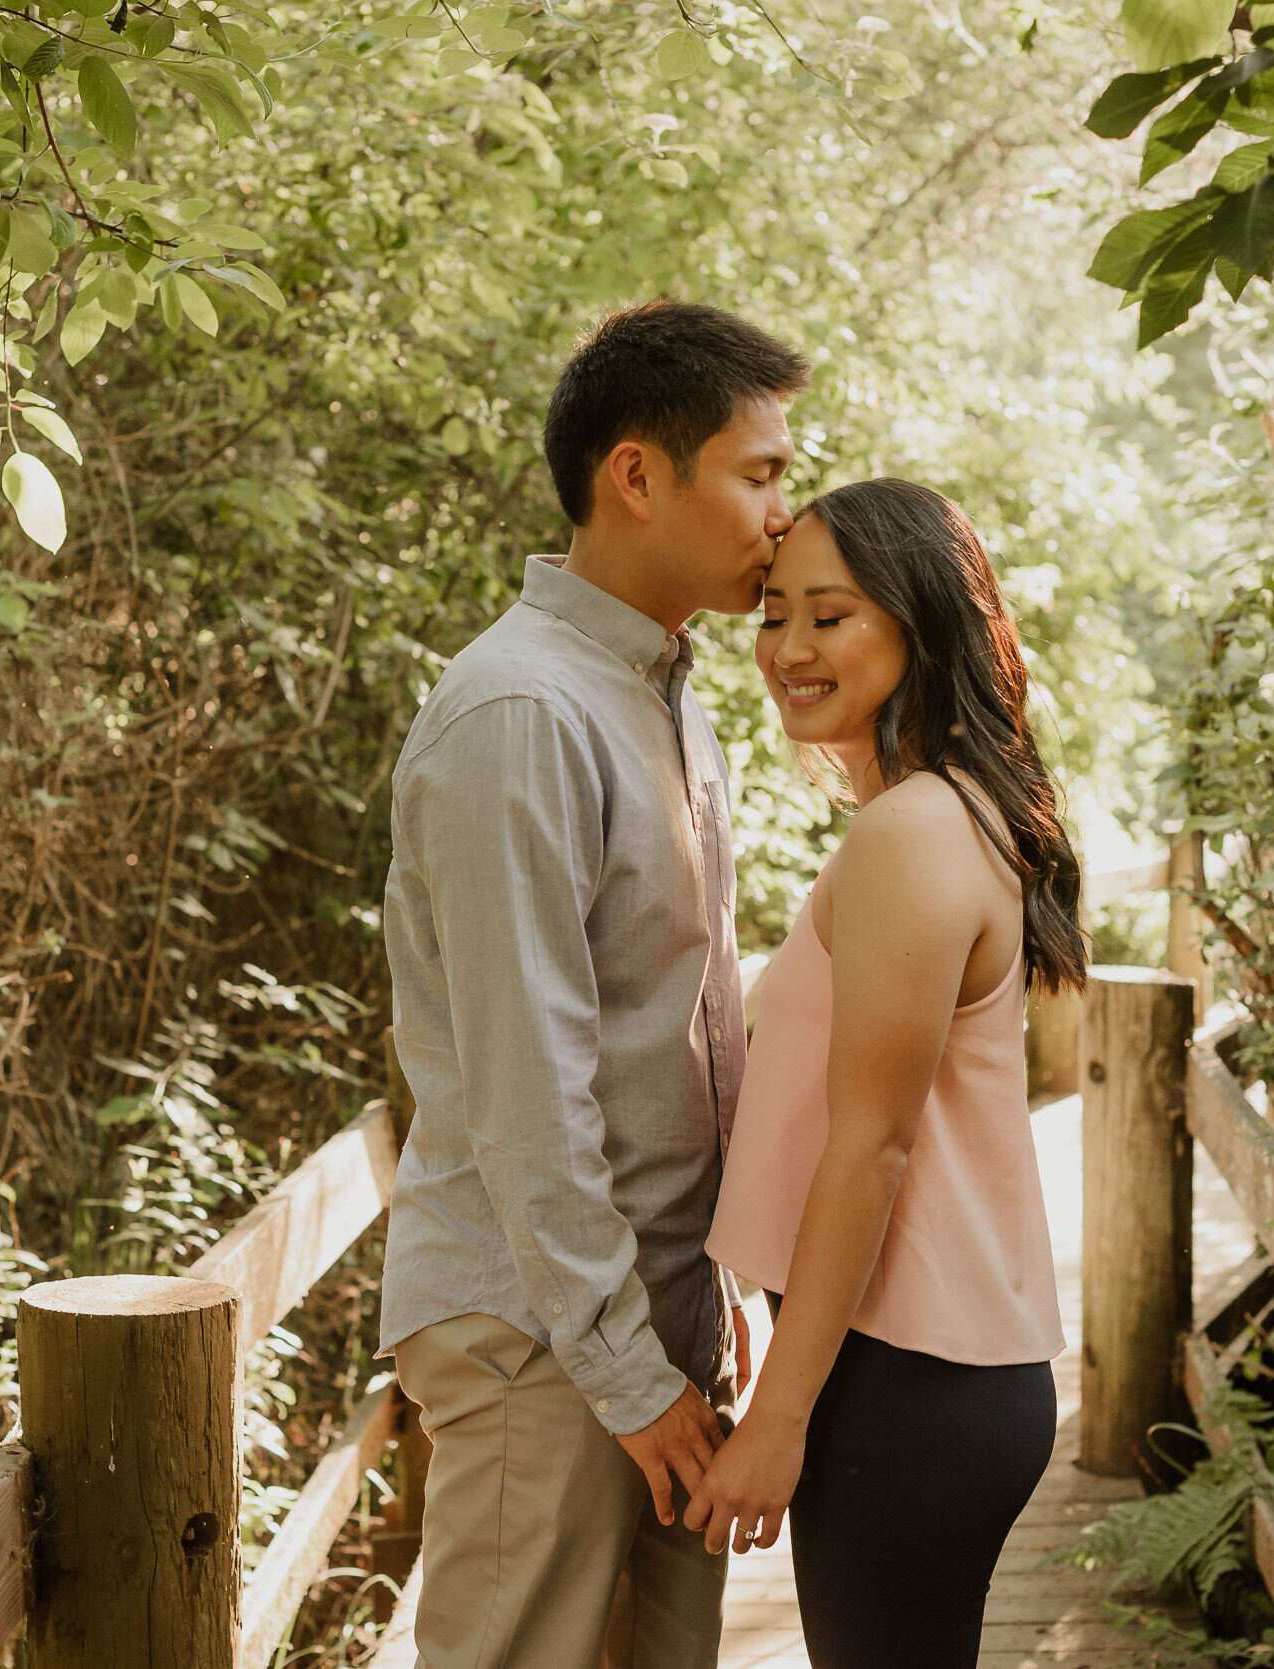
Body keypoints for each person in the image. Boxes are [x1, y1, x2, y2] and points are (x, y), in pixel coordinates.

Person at [378, 300, 809, 1669]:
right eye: (759, 475)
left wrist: (713, 1298)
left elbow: (688, 1028)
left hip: (650, 1316)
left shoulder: (666, 694)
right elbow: (526, 1088)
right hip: (541, 1331)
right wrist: (627, 1370)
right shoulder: (521, 715)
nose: (782, 518)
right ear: (637, 474)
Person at [689, 478, 1086, 1668]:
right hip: (920, 1373)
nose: (788, 648)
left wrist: (777, 1420)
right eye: (772, 612)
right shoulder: (949, 813)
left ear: (921, 623)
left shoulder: (909, 834)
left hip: (906, 1384)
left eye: (831, 614)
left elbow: (872, 1149)